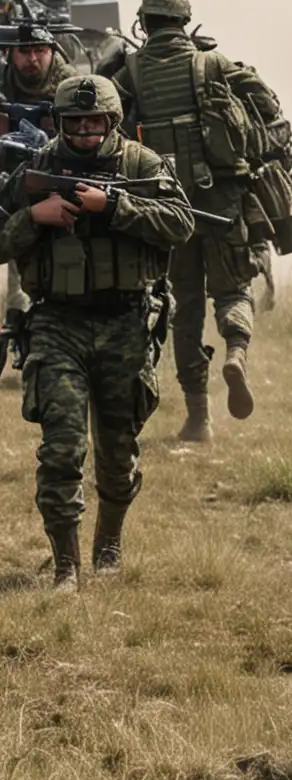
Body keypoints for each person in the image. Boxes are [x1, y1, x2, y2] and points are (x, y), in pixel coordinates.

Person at [0, 75, 193, 588]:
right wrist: (33, 218)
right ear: (60, 124)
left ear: (113, 122)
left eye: (94, 123)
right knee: (62, 449)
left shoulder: (142, 166)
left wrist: (114, 207)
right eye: (74, 124)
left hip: (124, 322)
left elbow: (181, 224)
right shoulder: (36, 169)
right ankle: (66, 566)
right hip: (56, 323)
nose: (85, 133)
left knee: (118, 449)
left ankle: (108, 544)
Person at [115, 0, 289, 441]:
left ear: (145, 24)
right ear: (184, 23)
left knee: (184, 308)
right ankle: (235, 352)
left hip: (167, 207)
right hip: (223, 203)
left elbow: (105, 119)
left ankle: (198, 417)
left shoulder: (129, 71)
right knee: (233, 290)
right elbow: (267, 105)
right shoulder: (213, 64)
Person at [0, 18, 73, 338]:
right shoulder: (1, 80)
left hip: (57, 180)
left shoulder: (73, 85)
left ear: (52, 51)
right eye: (24, 51)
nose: (32, 59)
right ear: (10, 54)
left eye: (40, 50)